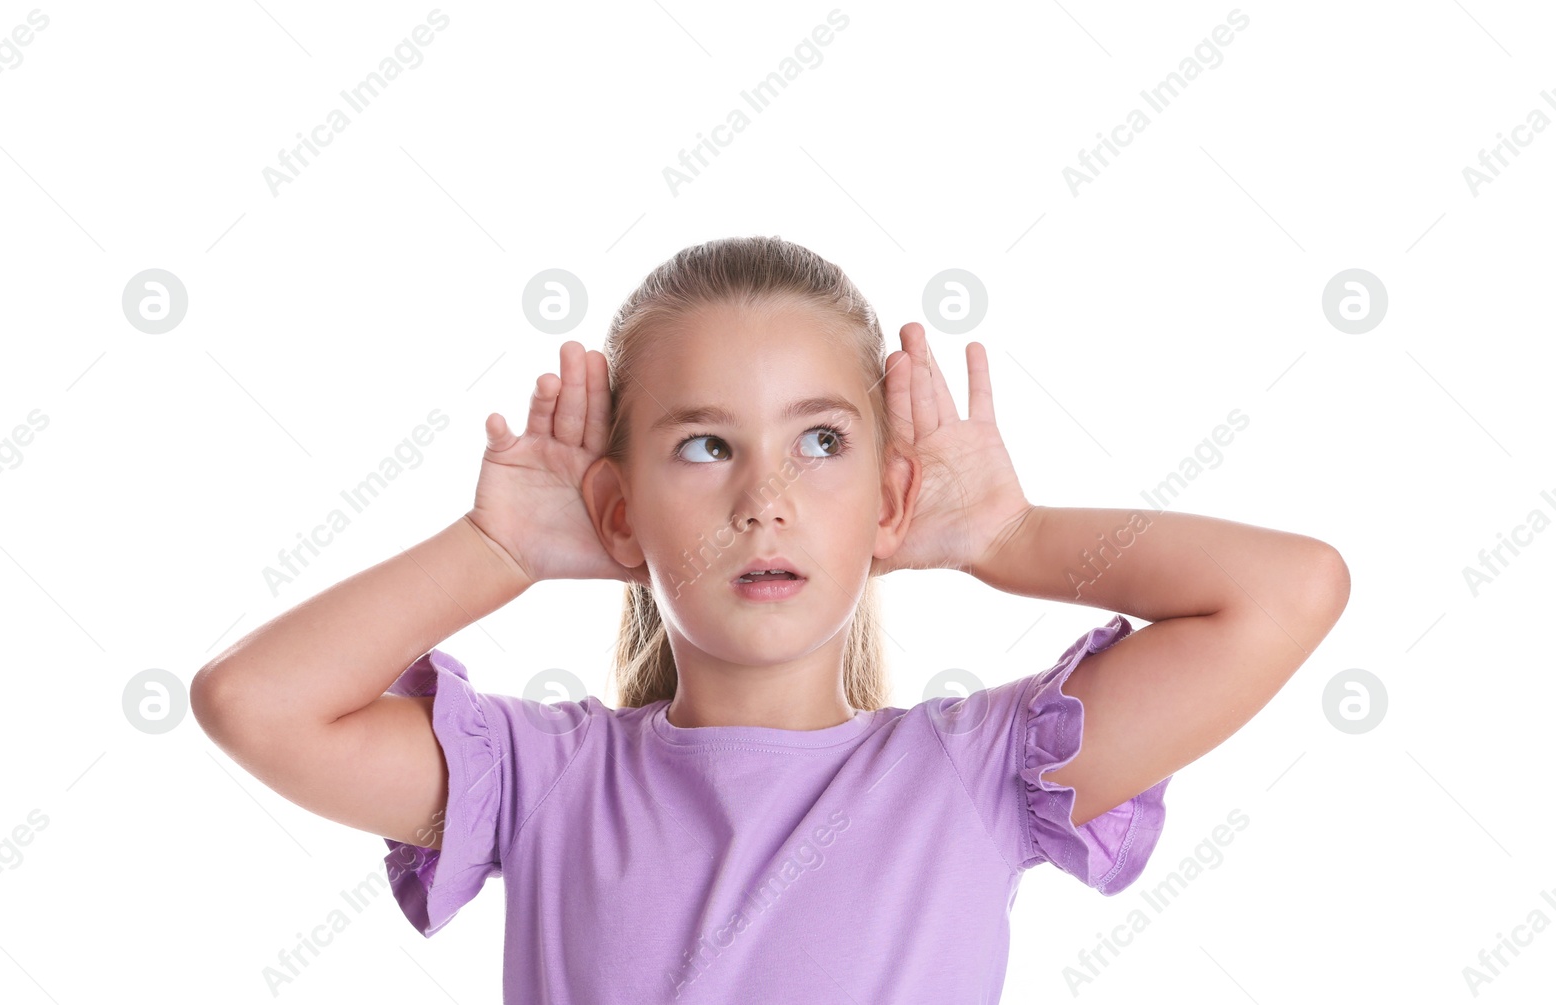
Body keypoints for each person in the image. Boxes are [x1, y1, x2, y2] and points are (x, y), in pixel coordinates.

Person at [192, 235, 1350, 1002]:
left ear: (890, 500)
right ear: (618, 509)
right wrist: (500, 549)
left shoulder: (977, 774)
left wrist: (1009, 539)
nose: (765, 502)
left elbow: (1288, 591)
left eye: (821, 442)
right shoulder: (543, 780)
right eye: (705, 446)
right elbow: (254, 703)